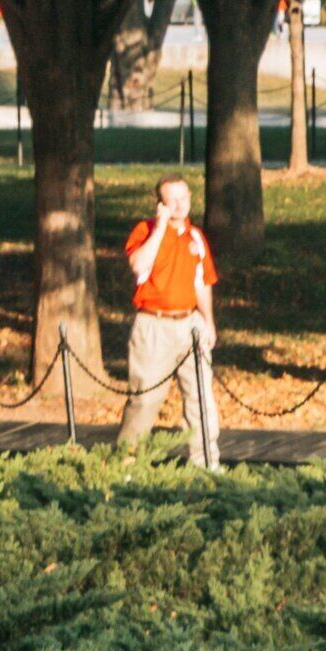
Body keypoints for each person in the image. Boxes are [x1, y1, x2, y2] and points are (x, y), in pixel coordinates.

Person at [114, 176, 221, 470]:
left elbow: (203, 283)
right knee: (145, 398)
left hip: (191, 324)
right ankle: (127, 465)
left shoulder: (196, 237)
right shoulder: (145, 231)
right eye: (170, 199)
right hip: (153, 326)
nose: (178, 204)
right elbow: (138, 264)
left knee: (201, 397)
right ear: (160, 203)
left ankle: (206, 463)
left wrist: (209, 323)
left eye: (182, 197)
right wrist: (160, 227)